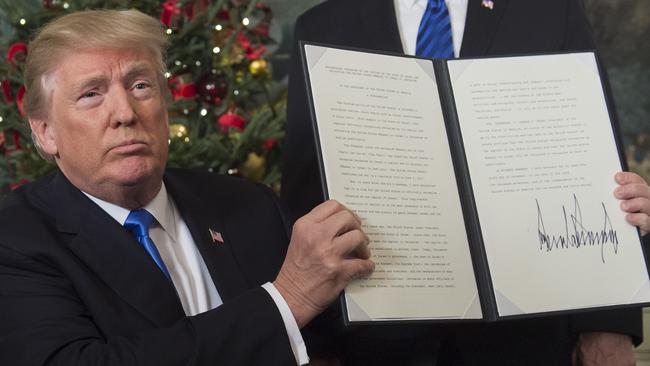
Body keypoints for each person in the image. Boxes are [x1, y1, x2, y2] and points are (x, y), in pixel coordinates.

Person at [281, 0, 650, 365]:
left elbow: (598, 163)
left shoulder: (550, 11)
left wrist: (609, 327)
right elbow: (306, 191)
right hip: (374, 337)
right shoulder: (323, 24)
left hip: (526, 336)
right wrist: (313, 343)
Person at [0, 9, 375, 366]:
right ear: (45, 131)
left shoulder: (252, 205)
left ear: (165, 105)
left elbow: (330, 345)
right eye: (91, 94)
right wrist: (287, 299)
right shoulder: (16, 239)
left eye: (141, 85)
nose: (125, 113)